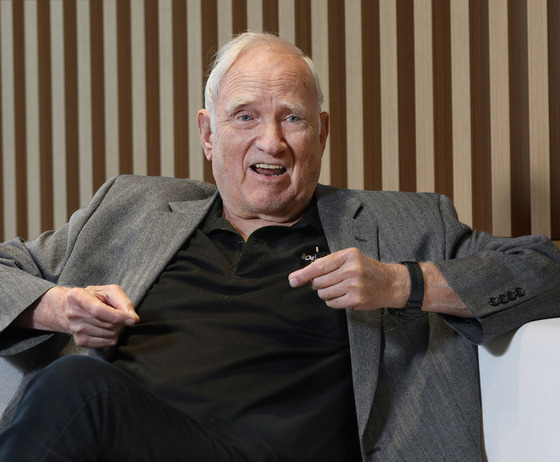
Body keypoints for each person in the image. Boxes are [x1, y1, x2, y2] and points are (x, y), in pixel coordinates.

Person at [0, 32, 559, 462]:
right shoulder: (132, 207)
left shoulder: (401, 224)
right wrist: (54, 307)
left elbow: (546, 269)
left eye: (292, 118)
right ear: (207, 133)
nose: (271, 142)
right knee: (79, 390)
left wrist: (402, 283)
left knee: (78, 388)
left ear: (322, 133)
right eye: (245, 117)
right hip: (127, 440)